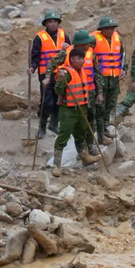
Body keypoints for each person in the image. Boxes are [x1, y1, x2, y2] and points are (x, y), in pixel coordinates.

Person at [51, 31, 99, 168]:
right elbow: (58, 91)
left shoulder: (82, 71)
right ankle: (56, 165)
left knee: (81, 133)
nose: (81, 61)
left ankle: (85, 157)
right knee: (63, 136)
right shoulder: (65, 73)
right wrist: (59, 81)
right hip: (68, 110)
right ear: (72, 59)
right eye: (78, 59)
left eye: (82, 59)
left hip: (82, 107)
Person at [29, 11, 68, 136]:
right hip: (45, 74)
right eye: (50, 22)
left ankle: (54, 124)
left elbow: (70, 54)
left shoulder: (64, 36)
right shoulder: (39, 37)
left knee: (59, 100)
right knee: (46, 101)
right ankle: (42, 127)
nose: (53, 24)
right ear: (46, 23)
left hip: (61, 73)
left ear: (58, 23)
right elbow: (35, 56)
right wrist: (32, 68)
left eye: (55, 21)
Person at [90, 16, 124, 144]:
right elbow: (85, 55)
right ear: (102, 29)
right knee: (99, 106)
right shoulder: (93, 39)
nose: (110, 31)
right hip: (99, 78)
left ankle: (104, 127)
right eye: (107, 28)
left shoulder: (118, 39)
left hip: (114, 78)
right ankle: (99, 133)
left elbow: (123, 55)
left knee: (111, 104)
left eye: (112, 28)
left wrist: (123, 69)